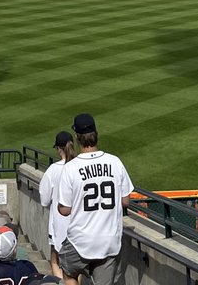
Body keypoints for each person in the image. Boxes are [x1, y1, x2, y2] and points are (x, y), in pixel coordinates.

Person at [56, 113, 133, 285]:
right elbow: (125, 201)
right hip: (109, 242)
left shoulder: (71, 168)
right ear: (96, 133)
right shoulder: (115, 162)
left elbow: (64, 209)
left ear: (77, 137)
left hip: (79, 241)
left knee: (68, 270)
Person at [38, 132, 74, 279]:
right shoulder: (79, 166)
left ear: (58, 149)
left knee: (55, 259)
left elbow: (44, 200)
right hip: (79, 225)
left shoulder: (53, 170)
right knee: (76, 266)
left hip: (59, 224)